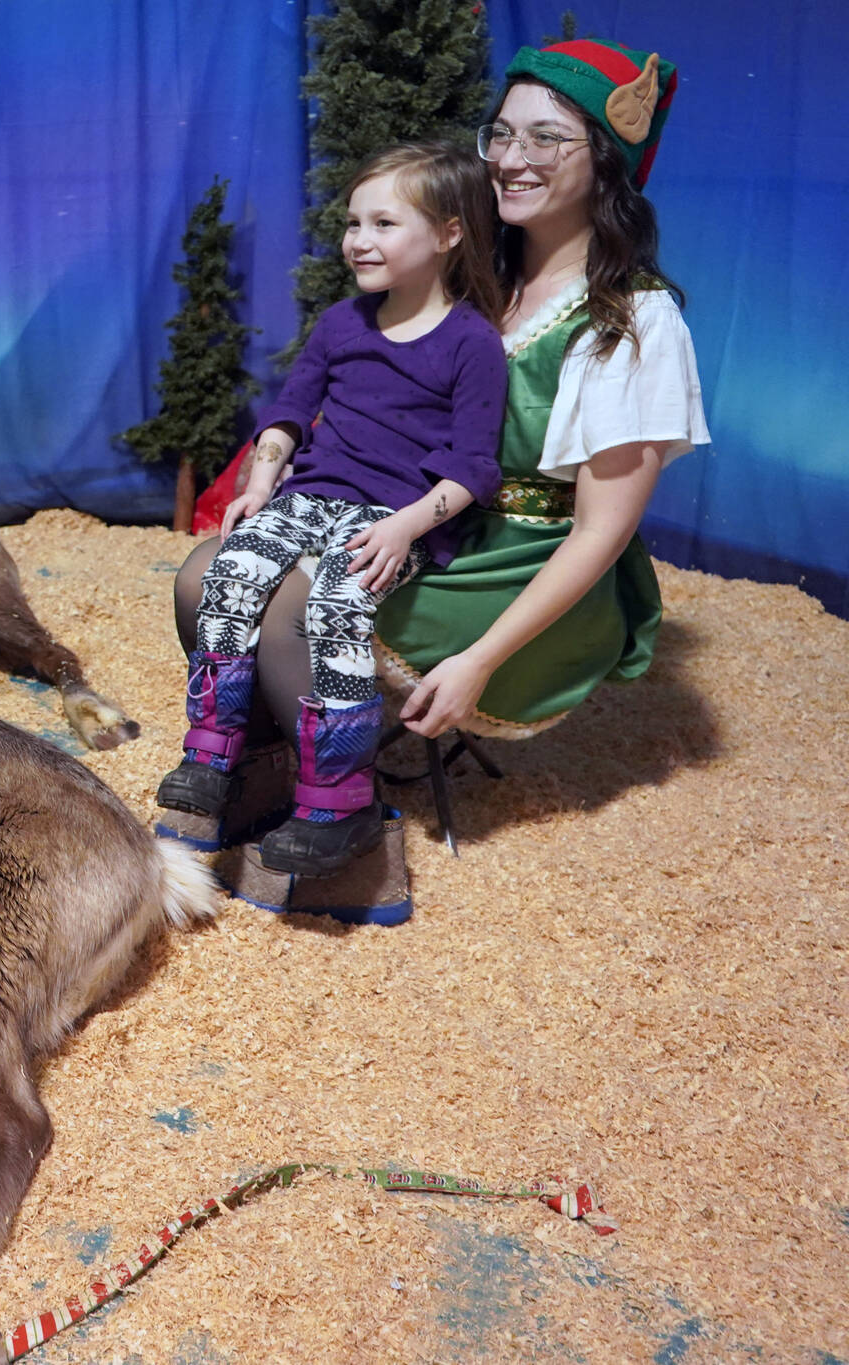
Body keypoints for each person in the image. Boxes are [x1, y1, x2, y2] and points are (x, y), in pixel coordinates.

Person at [170, 38, 709, 837]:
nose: (513, 159)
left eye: (547, 138)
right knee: (201, 574)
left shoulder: (631, 320)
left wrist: (480, 660)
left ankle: (350, 833)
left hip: (520, 563)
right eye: (501, 134)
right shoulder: (471, 284)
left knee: (290, 604)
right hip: (430, 520)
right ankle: (268, 777)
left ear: (605, 160)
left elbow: (601, 534)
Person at [157, 141, 507, 876]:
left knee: (333, 609)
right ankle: (214, 752)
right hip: (309, 497)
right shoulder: (343, 324)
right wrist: (259, 479)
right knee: (231, 574)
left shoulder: (472, 342)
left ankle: (339, 796)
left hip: (392, 517)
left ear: (448, 234)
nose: (358, 240)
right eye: (353, 223)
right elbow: (289, 413)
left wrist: (408, 525)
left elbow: (475, 466)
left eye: (383, 223)